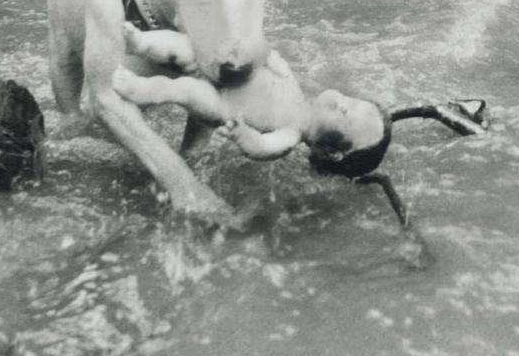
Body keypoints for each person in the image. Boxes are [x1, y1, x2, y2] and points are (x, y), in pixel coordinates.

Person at [115, 22, 488, 225]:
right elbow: (273, 60)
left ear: (330, 150)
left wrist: (244, 136)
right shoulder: (296, 93)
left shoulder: (290, 134)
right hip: (231, 74)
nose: (343, 101)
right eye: (352, 102)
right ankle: (141, 43)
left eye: (344, 114)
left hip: (223, 105)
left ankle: (142, 89)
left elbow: (263, 149)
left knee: (187, 93)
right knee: (184, 47)